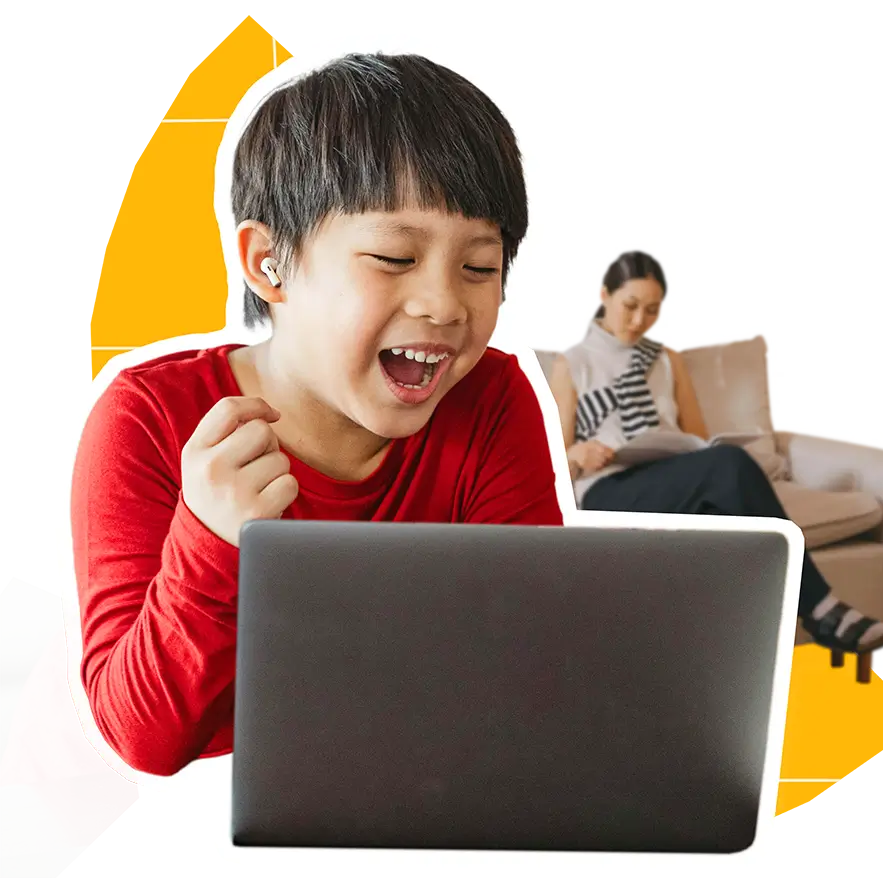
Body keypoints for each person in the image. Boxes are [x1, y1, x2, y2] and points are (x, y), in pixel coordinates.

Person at [0, 53, 563, 786]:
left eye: (480, 267)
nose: (445, 304)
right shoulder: (147, 417)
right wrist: (209, 538)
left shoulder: (490, 401)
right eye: (394, 257)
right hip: (94, 814)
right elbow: (142, 740)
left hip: (336, 801)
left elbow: (526, 668)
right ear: (269, 264)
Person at [548, 247, 883, 657]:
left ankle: (744, 654)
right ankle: (821, 608)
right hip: (608, 488)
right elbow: (553, 461)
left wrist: (678, 448)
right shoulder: (571, 364)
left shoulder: (666, 358)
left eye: (653, 310)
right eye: (630, 306)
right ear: (604, 294)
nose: (639, 320)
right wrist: (578, 455)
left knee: (724, 503)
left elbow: (697, 438)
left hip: (671, 475)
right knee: (729, 469)